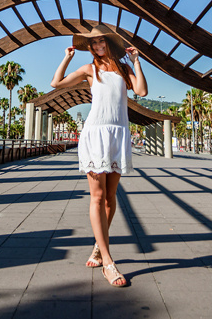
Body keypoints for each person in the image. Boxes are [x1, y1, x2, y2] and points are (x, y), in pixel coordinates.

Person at [51, 24, 147, 288]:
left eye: (99, 41)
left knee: (110, 198)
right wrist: (67, 57)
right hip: (96, 133)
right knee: (97, 196)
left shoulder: (123, 69)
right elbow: (56, 83)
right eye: (91, 43)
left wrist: (136, 62)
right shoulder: (89, 70)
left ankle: (97, 247)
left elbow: (141, 92)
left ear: (108, 43)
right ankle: (107, 261)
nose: (95, 46)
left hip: (118, 134)